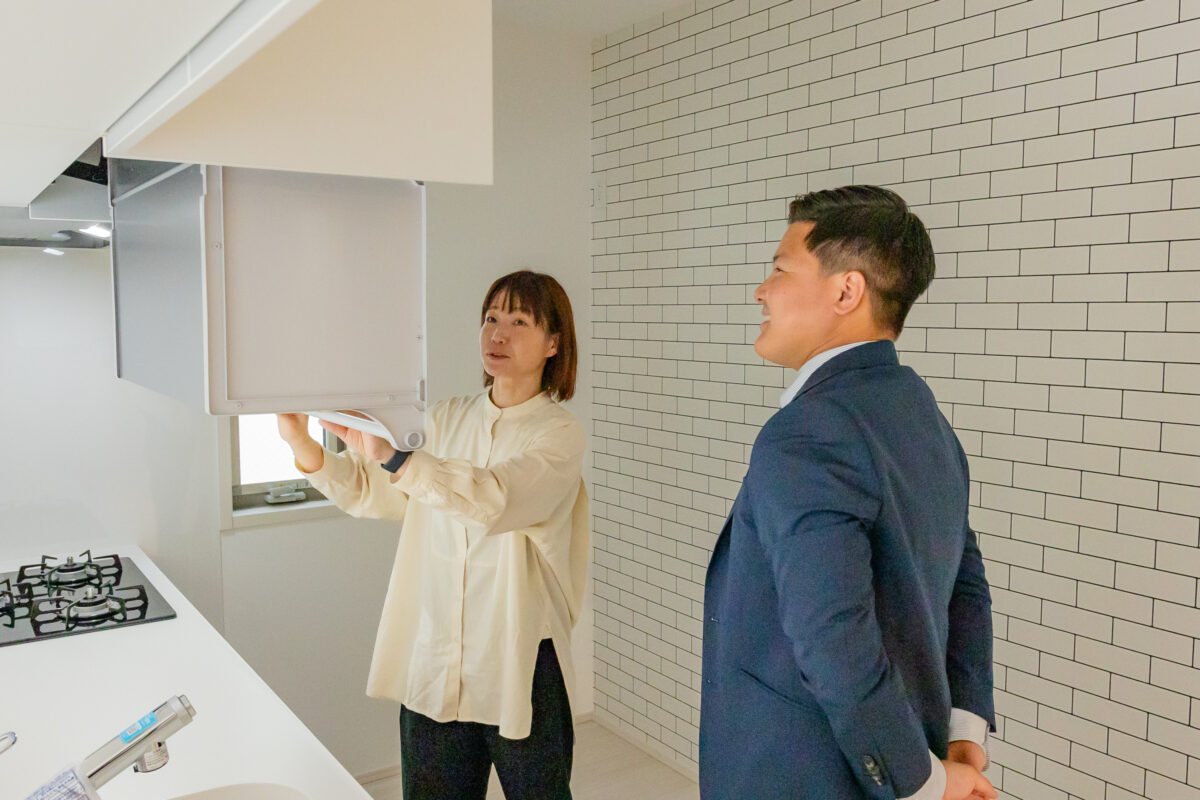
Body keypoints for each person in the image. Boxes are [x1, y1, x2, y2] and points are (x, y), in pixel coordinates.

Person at [699, 186, 997, 800]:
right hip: (904, 746)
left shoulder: (808, 432)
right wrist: (963, 726)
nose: (761, 291)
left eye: (780, 270)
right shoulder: (921, 413)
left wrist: (921, 782)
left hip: (803, 772)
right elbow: (965, 581)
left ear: (846, 292)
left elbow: (832, 635)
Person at [277, 270, 587, 800]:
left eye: (519, 321)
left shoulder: (558, 435)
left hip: (520, 659)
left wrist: (399, 458)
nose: (498, 334)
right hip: (435, 654)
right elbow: (376, 492)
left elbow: (495, 499)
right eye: (491, 318)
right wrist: (301, 442)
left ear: (554, 343)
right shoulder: (445, 418)